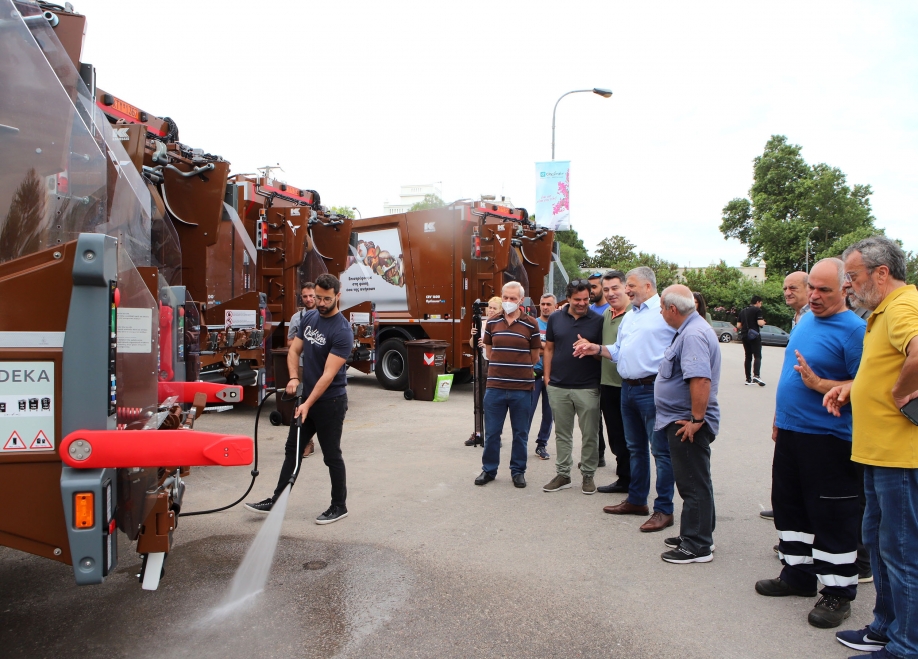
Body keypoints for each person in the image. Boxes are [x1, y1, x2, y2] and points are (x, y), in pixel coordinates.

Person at [754, 259, 866, 629]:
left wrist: (824, 385)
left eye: (824, 291)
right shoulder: (805, 322)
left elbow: (865, 389)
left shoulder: (854, 331)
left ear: (846, 290)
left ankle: (837, 593)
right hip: (791, 433)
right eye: (812, 289)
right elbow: (790, 374)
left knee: (833, 516)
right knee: (790, 507)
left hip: (830, 440)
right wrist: (777, 418)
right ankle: (797, 575)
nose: (814, 297)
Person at [827, 236, 918, 658]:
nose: (848, 285)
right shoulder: (881, 311)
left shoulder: (901, 305)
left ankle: (906, 647)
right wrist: (853, 388)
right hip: (879, 455)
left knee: (901, 554)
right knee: (882, 546)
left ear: (882, 273)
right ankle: (885, 626)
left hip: (900, 459)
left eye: (853, 276)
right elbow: (885, 367)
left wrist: (901, 393)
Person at [245, 273, 354, 524]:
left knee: (331, 455)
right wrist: (294, 378)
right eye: (318, 297)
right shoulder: (310, 317)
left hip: (330, 402)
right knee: (292, 449)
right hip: (308, 398)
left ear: (338, 296)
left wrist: (307, 403)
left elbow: (328, 375)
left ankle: (339, 506)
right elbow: (294, 349)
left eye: (327, 298)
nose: (321, 303)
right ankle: (277, 500)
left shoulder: (342, 331)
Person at [575, 266, 677, 532]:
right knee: (635, 449)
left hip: (653, 390)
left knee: (661, 452)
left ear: (647, 285)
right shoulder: (632, 315)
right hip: (628, 389)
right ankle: (636, 500)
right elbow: (618, 351)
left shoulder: (664, 312)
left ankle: (664, 509)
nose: (626, 290)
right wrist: (595, 348)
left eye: (630, 285)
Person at [656, 285, 721, 563]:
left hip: (686, 422)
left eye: (661, 308)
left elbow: (700, 380)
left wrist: (696, 420)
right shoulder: (692, 329)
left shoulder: (693, 334)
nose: (660, 313)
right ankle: (698, 533)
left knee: (692, 483)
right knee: (697, 480)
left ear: (673, 309)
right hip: (683, 418)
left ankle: (696, 545)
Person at [474, 282, 541, 488]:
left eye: (513, 298)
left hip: (522, 389)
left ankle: (518, 471)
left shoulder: (531, 324)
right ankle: (489, 469)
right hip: (495, 387)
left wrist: (517, 369)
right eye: (506, 297)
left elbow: (534, 356)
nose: (509, 302)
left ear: (521, 300)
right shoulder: (492, 322)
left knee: (520, 433)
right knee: (492, 432)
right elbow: (489, 351)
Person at [541, 280, 604, 494]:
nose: (582, 303)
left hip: (587, 386)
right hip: (558, 386)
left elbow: (603, 354)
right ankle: (563, 474)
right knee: (562, 433)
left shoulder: (598, 320)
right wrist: (547, 379)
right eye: (577, 300)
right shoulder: (555, 318)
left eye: (586, 299)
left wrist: (591, 347)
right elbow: (548, 348)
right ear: (568, 298)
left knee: (590, 434)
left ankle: (588, 475)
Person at [760, 271, 811, 522]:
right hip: (789, 409)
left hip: (808, 413)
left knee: (803, 473)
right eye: (784, 289)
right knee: (786, 472)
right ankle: (785, 511)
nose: (787, 293)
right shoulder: (798, 318)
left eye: (793, 288)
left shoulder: (815, 318)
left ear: (808, 289)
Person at [594, 271, 632, 494]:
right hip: (607, 384)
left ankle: (633, 481)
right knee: (615, 436)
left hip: (628, 384)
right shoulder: (608, 314)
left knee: (631, 439)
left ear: (626, 287)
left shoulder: (634, 315)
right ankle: (624, 479)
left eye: (615, 288)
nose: (610, 293)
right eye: (606, 289)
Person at [465, 297, 502, 447]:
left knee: (494, 401)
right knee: (479, 398)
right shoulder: (482, 323)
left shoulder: (502, 325)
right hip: (481, 361)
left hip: (495, 363)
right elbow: (472, 345)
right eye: (490, 308)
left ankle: (494, 435)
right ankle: (478, 433)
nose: (491, 310)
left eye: (495, 308)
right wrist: (474, 335)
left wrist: (487, 343)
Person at [529, 293, 557, 460]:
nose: (545, 307)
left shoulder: (558, 324)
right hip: (533, 374)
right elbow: (530, 347)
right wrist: (548, 348)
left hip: (553, 376)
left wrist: (541, 347)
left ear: (554, 306)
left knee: (549, 413)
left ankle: (542, 444)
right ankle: (521, 441)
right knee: (528, 411)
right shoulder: (533, 324)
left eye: (549, 304)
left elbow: (559, 348)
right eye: (543, 304)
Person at [737, 295, 766, 386]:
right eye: (761, 303)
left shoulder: (743, 311)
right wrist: (763, 322)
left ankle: (748, 379)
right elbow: (759, 323)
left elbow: (738, 325)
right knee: (757, 356)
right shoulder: (757, 310)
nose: (761, 305)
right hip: (754, 336)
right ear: (757, 302)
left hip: (744, 335)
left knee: (748, 356)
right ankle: (756, 375)